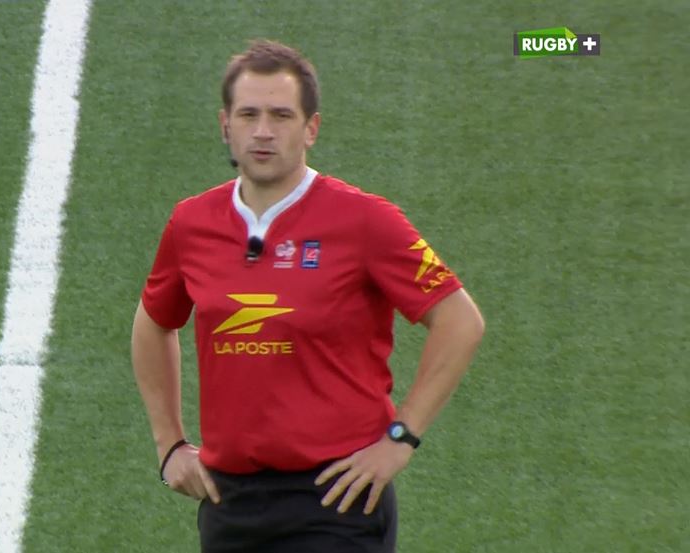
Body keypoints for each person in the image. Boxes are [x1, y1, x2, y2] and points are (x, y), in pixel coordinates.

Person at [131, 39, 485, 553]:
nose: (263, 131)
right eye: (248, 115)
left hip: (336, 501)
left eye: (281, 115)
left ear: (311, 128)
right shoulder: (191, 223)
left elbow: (460, 321)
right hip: (230, 502)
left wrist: (400, 438)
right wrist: (169, 445)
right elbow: (154, 322)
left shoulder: (365, 220)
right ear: (225, 125)